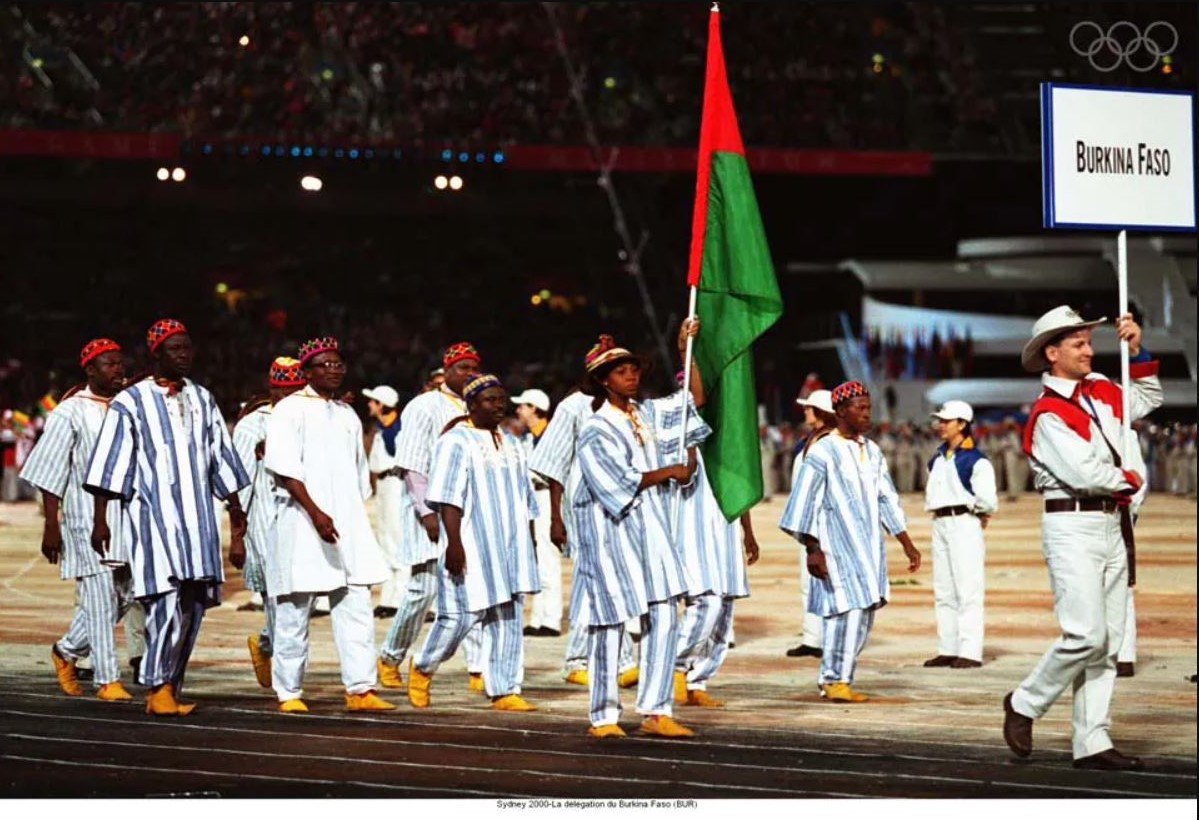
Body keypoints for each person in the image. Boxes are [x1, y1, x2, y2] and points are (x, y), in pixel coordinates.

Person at [1002, 307, 1161, 771]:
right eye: (1078, 344)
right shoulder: (1048, 413)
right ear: (1052, 353)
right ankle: (1025, 702)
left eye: (1090, 342)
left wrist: (1136, 349)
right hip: (1072, 525)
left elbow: (1148, 396)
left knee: (1108, 642)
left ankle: (1092, 741)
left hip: (1113, 522)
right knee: (1085, 635)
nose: (1090, 350)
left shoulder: (1106, 390)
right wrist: (1132, 478)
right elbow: (1086, 473)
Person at [84, 318, 249, 716]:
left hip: (199, 522)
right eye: (175, 349)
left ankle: (171, 686)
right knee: (164, 599)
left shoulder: (203, 398)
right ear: (156, 353)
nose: (184, 356)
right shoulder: (131, 401)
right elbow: (111, 465)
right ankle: (158, 687)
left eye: (187, 348)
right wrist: (101, 519)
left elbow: (221, 459)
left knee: (193, 604)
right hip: (153, 519)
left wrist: (237, 514)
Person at [573, 335, 697, 739]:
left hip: (653, 532)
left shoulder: (646, 414)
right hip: (612, 536)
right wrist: (668, 472)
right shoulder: (596, 428)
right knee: (609, 625)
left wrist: (685, 348)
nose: (632, 377)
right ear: (603, 380)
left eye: (634, 370)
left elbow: (692, 400)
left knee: (664, 617)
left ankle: (656, 710)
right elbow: (615, 485)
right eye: (622, 372)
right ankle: (604, 716)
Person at [263, 337, 395, 713]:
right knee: (294, 610)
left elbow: (358, 476)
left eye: (339, 364)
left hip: (346, 523)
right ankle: (288, 692)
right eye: (325, 364)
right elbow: (285, 469)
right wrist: (316, 512)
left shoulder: (347, 414)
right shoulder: (289, 409)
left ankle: (360, 688)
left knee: (355, 605)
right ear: (306, 371)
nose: (334, 369)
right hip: (302, 520)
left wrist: (347, 515)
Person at [780, 380, 922, 703]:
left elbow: (886, 497)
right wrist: (812, 550)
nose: (866, 414)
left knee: (866, 611)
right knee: (846, 611)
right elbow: (803, 503)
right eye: (860, 408)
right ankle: (833, 679)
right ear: (841, 411)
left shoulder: (871, 451)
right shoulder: (822, 451)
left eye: (868, 408)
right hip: (835, 547)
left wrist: (906, 541)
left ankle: (841, 676)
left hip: (870, 549)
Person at [407, 374, 540, 712]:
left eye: (501, 399)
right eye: (489, 400)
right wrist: (453, 543)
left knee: (508, 615)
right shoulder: (456, 441)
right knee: (461, 616)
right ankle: (423, 666)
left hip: (510, 544)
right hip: (472, 543)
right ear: (470, 404)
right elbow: (448, 497)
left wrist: (531, 539)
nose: (498, 405)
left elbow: (525, 496)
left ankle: (504, 688)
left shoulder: (510, 440)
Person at [21, 338, 137, 701]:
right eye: (109, 364)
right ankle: (107, 679)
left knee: (130, 594)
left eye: (120, 363)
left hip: (127, 516)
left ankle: (66, 650)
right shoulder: (70, 411)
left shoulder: (130, 407)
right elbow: (50, 468)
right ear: (90, 369)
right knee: (100, 597)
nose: (118, 369)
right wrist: (51, 525)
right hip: (85, 516)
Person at [378, 343, 487, 692]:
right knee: (422, 590)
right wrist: (426, 512)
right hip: (430, 509)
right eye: (462, 367)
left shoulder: (478, 407)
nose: (469, 373)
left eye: (474, 367)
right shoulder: (424, 405)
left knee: (474, 590)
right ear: (446, 369)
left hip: (466, 510)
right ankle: (390, 657)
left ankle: (477, 667)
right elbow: (411, 461)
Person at [527, 385, 637, 689]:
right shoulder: (572, 406)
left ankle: (614, 659)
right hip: (584, 503)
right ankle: (585, 660)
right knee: (591, 578)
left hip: (619, 502)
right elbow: (554, 464)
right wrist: (556, 517)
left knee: (606, 578)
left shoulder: (627, 404)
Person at [233, 356, 306, 690]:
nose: (291, 395)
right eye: (285, 389)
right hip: (262, 522)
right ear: (273, 388)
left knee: (303, 600)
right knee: (279, 598)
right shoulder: (253, 424)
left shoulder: (308, 418)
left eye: (297, 388)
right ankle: (286, 683)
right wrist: (238, 533)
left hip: (302, 519)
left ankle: (266, 645)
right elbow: (238, 483)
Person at [922, 400, 997, 670]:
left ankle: (970, 651)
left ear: (963, 424)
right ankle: (948, 648)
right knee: (943, 589)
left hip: (963, 521)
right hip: (940, 522)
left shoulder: (976, 460)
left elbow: (987, 500)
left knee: (968, 589)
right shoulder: (937, 458)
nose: (940, 425)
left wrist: (977, 513)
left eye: (946, 421)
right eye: (940, 420)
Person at [786, 389, 835, 660]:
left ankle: (830, 637)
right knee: (808, 581)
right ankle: (812, 637)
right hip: (805, 522)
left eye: (809, 407)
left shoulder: (832, 443)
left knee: (827, 580)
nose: (805, 411)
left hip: (824, 522)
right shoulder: (808, 441)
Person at [511, 387, 562, 638]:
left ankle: (551, 619)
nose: (518, 410)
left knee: (548, 557)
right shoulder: (530, 438)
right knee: (538, 557)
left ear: (534, 409)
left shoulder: (551, 436)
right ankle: (538, 616)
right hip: (533, 497)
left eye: (523, 406)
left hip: (548, 497)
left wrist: (556, 515)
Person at [363, 383, 410, 619]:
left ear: (382, 405)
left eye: (373, 401)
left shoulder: (397, 430)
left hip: (395, 484)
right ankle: (388, 598)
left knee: (396, 540)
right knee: (386, 542)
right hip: (383, 485)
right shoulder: (384, 428)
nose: (370, 405)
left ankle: (399, 598)